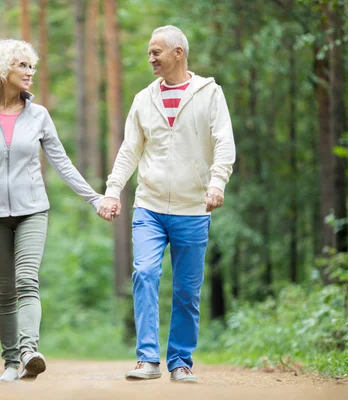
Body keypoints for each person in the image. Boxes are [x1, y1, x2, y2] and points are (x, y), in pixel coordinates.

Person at [0, 39, 110, 383]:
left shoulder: (38, 116)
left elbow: (63, 163)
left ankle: (28, 352)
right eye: (22, 66)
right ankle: (11, 363)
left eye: (32, 66)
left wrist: (94, 198)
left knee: (27, 280)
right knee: (5, 290)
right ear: (2, 70)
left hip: (32, 211)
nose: (30, 72)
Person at [97, 25, 236, 383]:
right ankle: (147, 359)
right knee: (144, 274)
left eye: (156, 51)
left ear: (178, 52)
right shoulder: (144, 99)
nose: (150, 58)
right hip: (150, 205)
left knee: (187, 290)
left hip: (193, 208)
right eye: (148, 52)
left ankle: (180, 361)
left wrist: (217, 182)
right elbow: (130, 150)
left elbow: (224, 142)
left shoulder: (209, 93)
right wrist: (113, 190)